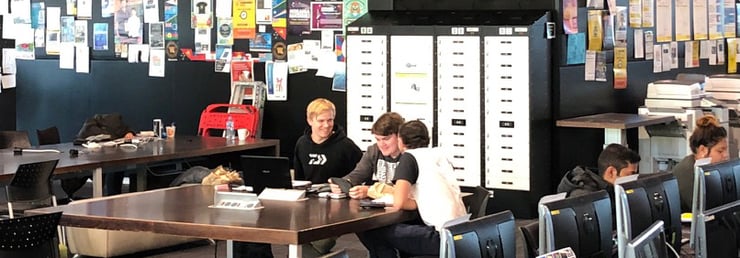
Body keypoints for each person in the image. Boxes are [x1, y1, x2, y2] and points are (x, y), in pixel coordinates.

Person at [357, 120, 467, 257]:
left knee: (372, 230)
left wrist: (417, 203)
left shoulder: (409, 158)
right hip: (462, 232)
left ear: (400, 140)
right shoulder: (439, 155)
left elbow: (399, 203)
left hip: (441, 238)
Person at [329, 112, 405, 199]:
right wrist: (342, 184)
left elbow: (403, 190)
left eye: (386, 139)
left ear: (400, 136)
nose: (381, 144)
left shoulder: (409, 155)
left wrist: (370, 191)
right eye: (378, 139)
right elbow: (357, 175)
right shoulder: (373, 150)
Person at [63, 114, 135, 199]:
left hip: (95, 158)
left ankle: (113, 197)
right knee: (114, 166)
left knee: (116, 165)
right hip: (87, 159)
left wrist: (129, 133)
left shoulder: (111, 127)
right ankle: (112, 197)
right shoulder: (91, 129)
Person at [293, 98, 363, 184]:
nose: (326, 125)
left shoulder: (347, 146)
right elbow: (298, 180)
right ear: (310, 121)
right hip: (309, 195)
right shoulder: (302, 144)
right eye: (321, 121)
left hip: (338, 195)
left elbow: (362, 175)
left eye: (330, 120)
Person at [672, 115, 730, 212]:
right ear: (702, 150)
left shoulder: (710, 171)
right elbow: (702, 211)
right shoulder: (687, 172)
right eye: (720, 151)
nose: (726, 155)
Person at [557, 143, 640, 198]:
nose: (634, 179)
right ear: (611, 172)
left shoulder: (612, 189)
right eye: (630, 174)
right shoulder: (584, 196)